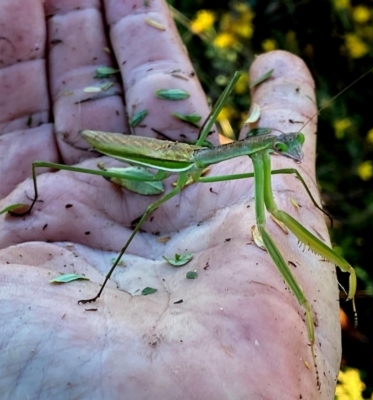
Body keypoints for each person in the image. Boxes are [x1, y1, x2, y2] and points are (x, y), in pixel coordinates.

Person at [0, 0, 340, 398]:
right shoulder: (227, 158)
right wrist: (96, 292)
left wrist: (313, 205)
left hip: (182, 159)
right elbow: (146, 219)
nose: (290, 153)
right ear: (269, 143)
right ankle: (96, 279)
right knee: (51, 167)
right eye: (286, 144)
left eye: (289, 145)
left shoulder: (265, 163)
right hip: (155, 158)